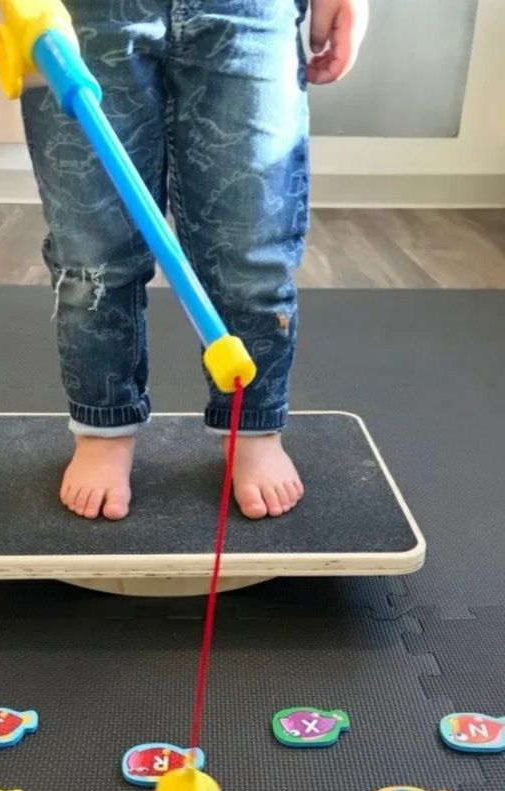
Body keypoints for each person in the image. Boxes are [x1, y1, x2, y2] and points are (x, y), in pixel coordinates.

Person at [22, 0, 368, 520]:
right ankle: (103, 428)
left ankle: (252, 425)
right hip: (80, 14)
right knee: (92, 256)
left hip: (250, 10)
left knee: (251, 250)